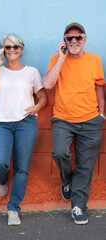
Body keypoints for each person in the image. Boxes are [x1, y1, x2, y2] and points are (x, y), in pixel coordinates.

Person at [43, 22, 105, 225]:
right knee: (61, 152)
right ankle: (66, 178)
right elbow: (48, 84)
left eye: (79, 37)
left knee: (85, 166)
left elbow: (99, 88)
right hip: (63, 119)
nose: (74, 41)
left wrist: (101, 114)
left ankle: (78, 206)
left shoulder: (95, 61)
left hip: (90, 120)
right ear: (64, 41)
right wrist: (61, 58)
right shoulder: (56, 59)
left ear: (85, 39)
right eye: (70, 38)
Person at [0, 33, 47, 225]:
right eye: (7, 47)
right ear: (2, 49)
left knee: (22, 168)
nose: (12, 50)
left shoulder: (32, 72)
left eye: (15, 47)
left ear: (21, 49)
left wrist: (37, 107)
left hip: (26, 123)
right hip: (2, 123)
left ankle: (13, 208)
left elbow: (43, 97)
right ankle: (2, 180)